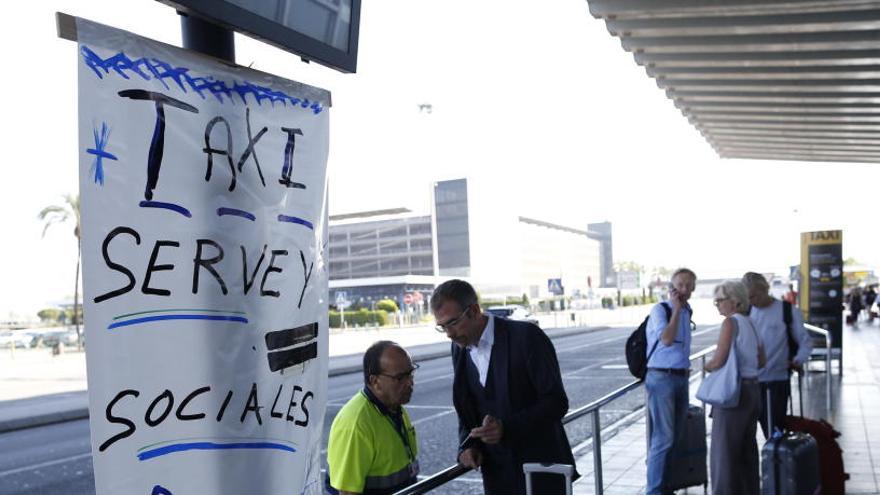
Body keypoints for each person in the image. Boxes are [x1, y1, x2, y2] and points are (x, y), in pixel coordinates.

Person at [430, 279, 577, 495]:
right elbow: (467, 405)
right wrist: (467, 444)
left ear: (474, 310)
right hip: (496, 473)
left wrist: (506, 427)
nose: (449, 334)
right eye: (442, 327)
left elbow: (556, 402)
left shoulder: (526, 337)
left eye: (452, 323)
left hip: (540, 470)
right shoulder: (458, 347)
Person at [326, 341, 419, 495]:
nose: (410, 382)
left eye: (411, 373)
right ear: (375, 382)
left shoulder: (394, 406)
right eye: (400, 378)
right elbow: (347, 493)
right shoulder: (356, 425)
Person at [704, 281, 765, 495]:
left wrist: (707, 365)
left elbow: (718, 360)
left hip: (734, 395)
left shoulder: (730, 323)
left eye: (720, 300)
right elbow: (762, 359)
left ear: (735, 301)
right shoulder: (751, 323)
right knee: (747, 452)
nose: (717, 304)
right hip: (752, 391)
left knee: (724, 456)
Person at [644, 267, 696, 495]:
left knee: (675, 437)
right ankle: (654, 491)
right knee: (663, 438)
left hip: (681, 377)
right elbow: (666, 339)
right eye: (680, 285)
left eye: (689, 285)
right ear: (672, 288)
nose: (684, 289)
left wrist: (680, 311)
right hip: (661, 378)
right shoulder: (660, 310)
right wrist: (675, 311)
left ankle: (666, 487)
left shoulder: (687, 311)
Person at [742, 272, 813, 438]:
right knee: (745, 435)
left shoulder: (787, 311)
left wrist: (798, 360)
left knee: (774, 431)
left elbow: (805, 341)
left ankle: (776, 461)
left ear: (765, 289)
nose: (751, 301)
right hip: (748, 381)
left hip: (777, 381)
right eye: (747, 298)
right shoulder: (746, 312)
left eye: (754, 296)